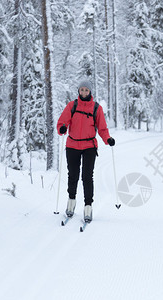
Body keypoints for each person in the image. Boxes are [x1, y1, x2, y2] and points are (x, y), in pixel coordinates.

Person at [57, 80, 115, 223]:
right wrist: (62, 128)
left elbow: (102, 128)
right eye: (81, 90)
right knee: (73, 175)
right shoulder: (72, 106)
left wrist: (108, 139)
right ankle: (71, 203)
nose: (83, 92)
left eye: (86, 90)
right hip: (72, 145)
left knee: (87, 176)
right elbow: (62, 122)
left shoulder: (96, 108)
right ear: (79, 91)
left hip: (89, 146)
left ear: (90, 92)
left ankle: (88, 207)